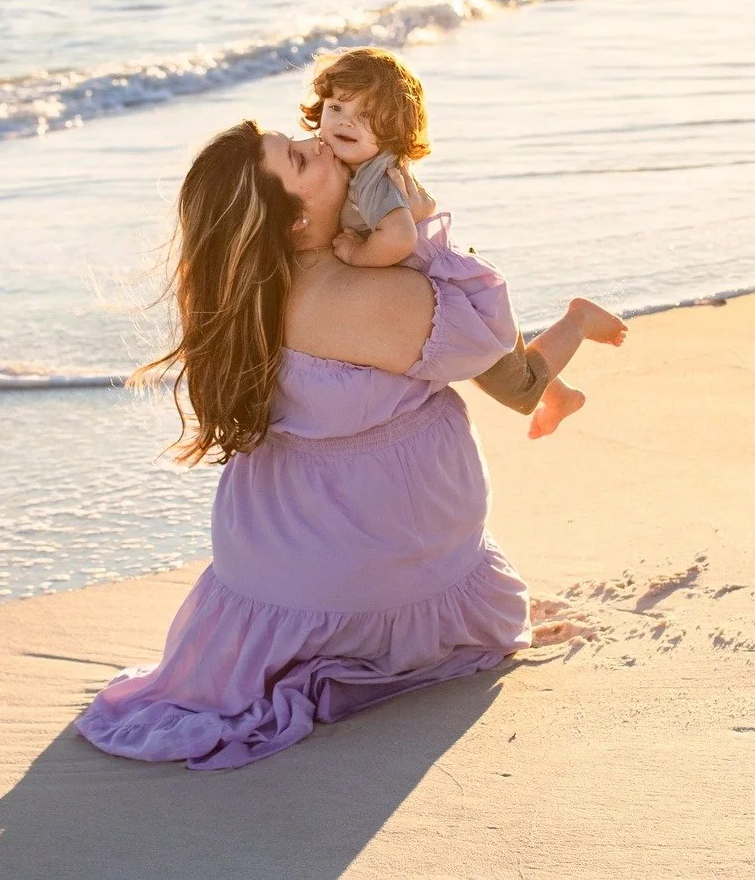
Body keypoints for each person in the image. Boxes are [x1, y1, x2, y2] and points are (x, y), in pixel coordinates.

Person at [73, 120, 536, 769]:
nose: (321, 142)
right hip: (371, 584)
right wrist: (414, 216)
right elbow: (486, 331)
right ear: (293, 221)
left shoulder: (254, 298)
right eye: (300, 156)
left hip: (264, 586)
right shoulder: (350, 294)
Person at [300, 46, 627, 438]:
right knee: (496, 362)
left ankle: (579, 320)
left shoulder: (374, 177)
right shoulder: (358, 162)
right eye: (337, 107)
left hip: (453, 296)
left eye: (366, 115)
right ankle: (560, 397)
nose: (345, 122)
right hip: (454, 281)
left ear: (394, 129)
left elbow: (400, 239)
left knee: (517, 388)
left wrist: (356, 253)